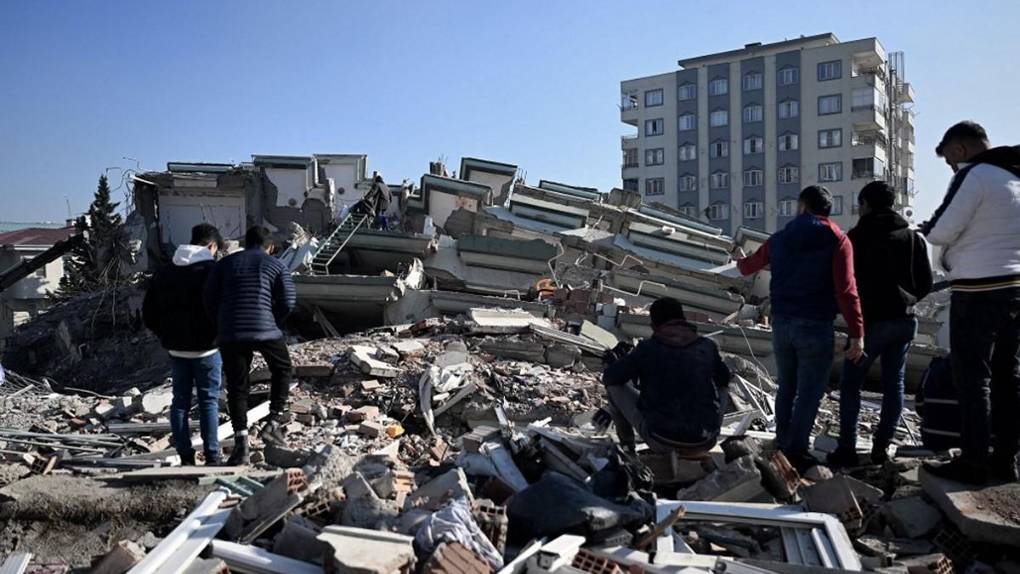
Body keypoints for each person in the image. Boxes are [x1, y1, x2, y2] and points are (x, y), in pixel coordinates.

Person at [735, 185, 865, 471]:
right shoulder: (838, 239)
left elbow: (747, 268)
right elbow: (846, 290)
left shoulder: (780, 238)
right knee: (809, 391)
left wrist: (738, 259)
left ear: (803, 207)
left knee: (786, 387)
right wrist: (857, 332)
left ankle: (782, 442)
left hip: (781, 322)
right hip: (816, 325)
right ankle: (796, 450)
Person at [922, 121, 1020, 484]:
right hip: (1015, 288)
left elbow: (940, 230)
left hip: (979, 288)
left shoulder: (974, 176)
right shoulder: (1014, 177)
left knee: (972, 376)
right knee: (1008, 378)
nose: (950, 168)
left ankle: (974, 460)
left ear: (960, 149)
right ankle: (1006, 461)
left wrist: (929, 230)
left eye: (949, 160)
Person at [828, 181, 933, 468]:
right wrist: (906, 299)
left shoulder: (855, 237)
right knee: (894, 384)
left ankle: (847, 447)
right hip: (903, 320)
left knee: (851, 384)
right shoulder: (912, 238)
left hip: (868, 324)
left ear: (866, 204)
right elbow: (926, 283)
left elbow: (843, 284)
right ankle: (880, 448)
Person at [204, 226, 296, 465]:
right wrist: (271, 319)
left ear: (245, 243)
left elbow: (209, 299)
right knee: (283, 369)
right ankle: (273, 422)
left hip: (231, 332)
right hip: (266, 330)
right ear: (271, 247)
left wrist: (222, 323)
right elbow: (288, 301)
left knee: (237, 385)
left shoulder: (224, 265)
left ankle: (241, 444)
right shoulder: (277, 265)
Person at [598, 298, 731, 456]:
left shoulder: (647, 349)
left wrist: (620, 364)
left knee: (614, 386)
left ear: (654, 327)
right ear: (683, 321)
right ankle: (706, 431)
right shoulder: (707, 346)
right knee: (724, 386)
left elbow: (610, 377)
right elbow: (724, 379)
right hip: (705, 442)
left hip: (662, 441)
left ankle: (628, 448)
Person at [142, 223, 224, 466]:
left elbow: (149, 312)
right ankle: (212, 455)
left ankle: (185, 457)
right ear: (212, 246)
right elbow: (223, 308)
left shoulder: (166, 271)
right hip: (207, 348)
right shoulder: (213, 272)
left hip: (176, 348)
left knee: (180, 402)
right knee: (208, 400)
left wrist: (166, 335)